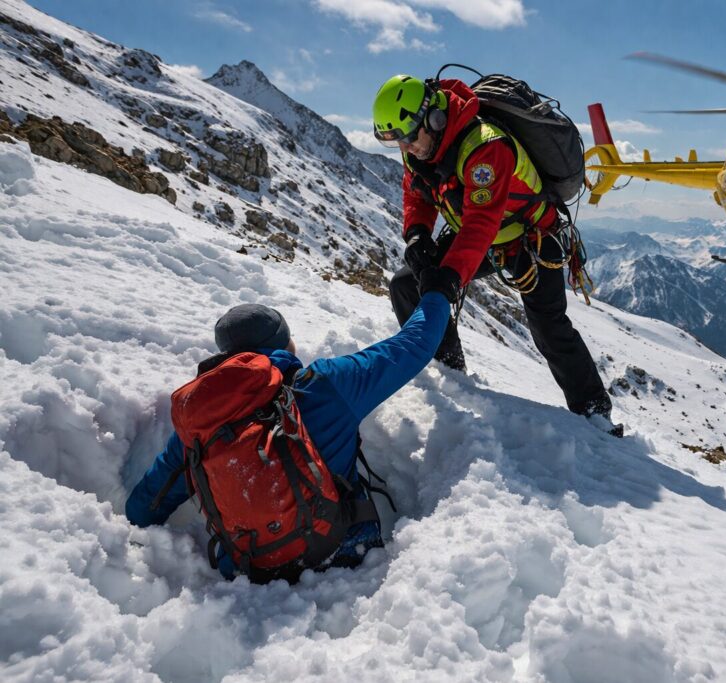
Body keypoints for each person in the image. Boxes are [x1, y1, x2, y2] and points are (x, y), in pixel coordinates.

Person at [125, 290, 451, 580]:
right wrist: (436, 291)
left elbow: (144, 508)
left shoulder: (204, 421)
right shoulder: (324, 384)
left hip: (251, 575)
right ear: (285, 343)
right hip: (344, 563)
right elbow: (414, 344)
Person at [372, 74, 619, 433]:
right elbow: (417, 194)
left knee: (548, 325)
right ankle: (448, 372)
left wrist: (449, 279)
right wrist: (417, 236)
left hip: (532, 237)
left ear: (433, 118)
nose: (406, 148)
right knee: (407, 285)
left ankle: (595, 412)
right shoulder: (419, 149)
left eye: (409, 137)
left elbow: (480, 223)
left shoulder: (486, 147)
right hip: (488, 236)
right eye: (397, 142)